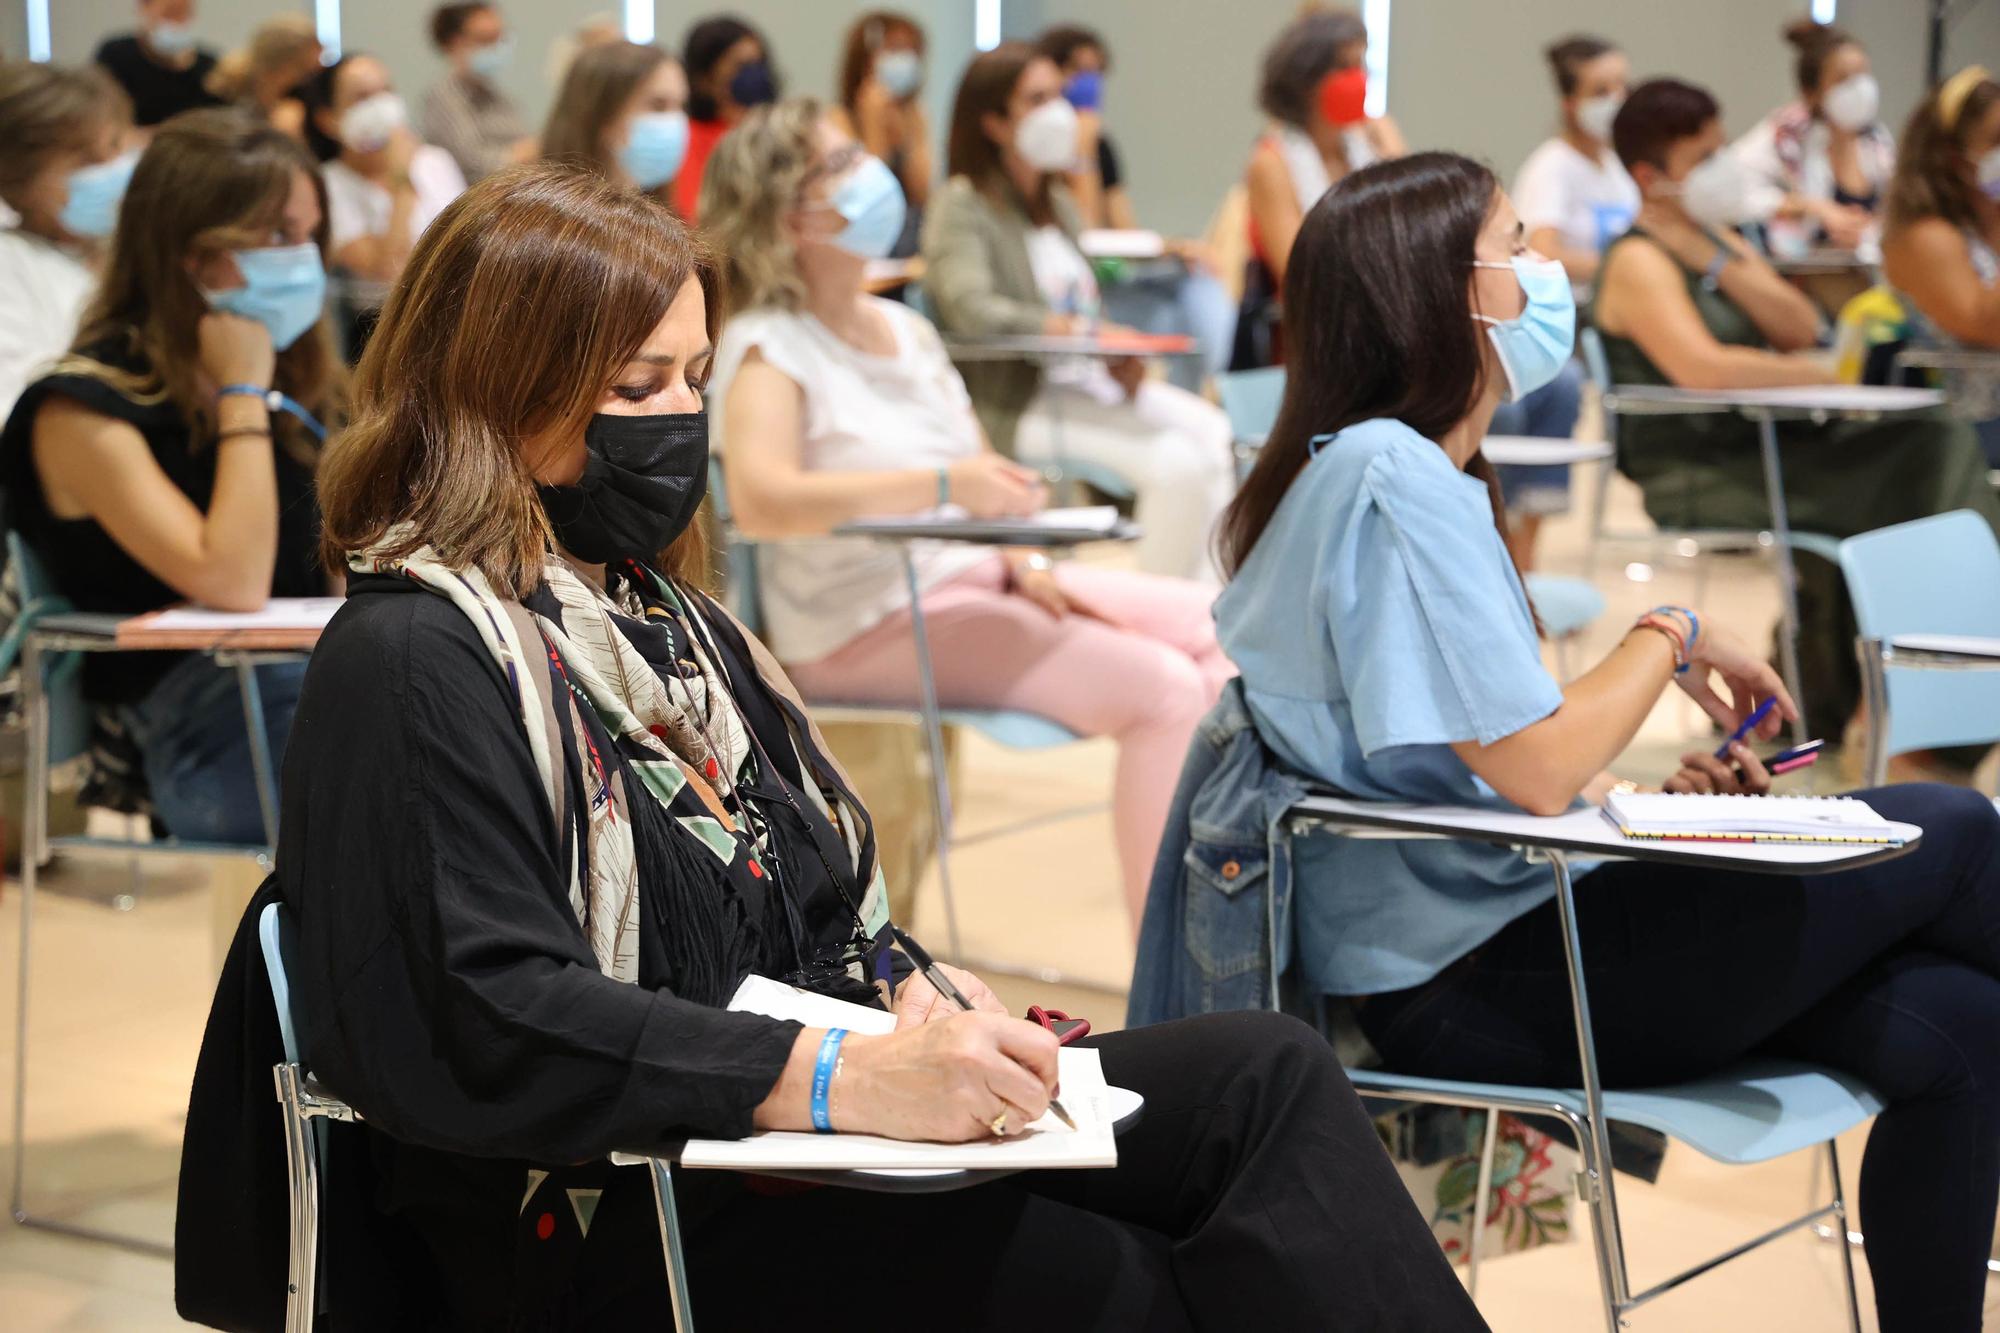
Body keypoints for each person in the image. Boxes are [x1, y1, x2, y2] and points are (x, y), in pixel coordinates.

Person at [173, 159, 1493, 1333]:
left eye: (692, 376)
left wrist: (915, 990)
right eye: (637, 385)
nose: (678, 417)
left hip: (766, 1132)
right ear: (499, 390)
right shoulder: (412, 659)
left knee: (1259, 1070)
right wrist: (840, 1074)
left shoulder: (670, 619)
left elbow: (813, 901)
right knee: (1139, 1274)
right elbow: (495, 1012)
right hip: (614, 1207)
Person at [1210, 148, 2000, 1333]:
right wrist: (1667, 631)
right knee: (1946, 822)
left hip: (1498, 931)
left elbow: (1472, 759)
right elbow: (1531, 762)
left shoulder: (1377, 465)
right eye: (1517, 246)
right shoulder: (1393, 473)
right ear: (1441, 291)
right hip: (1478, 974)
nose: (1549, 268)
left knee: (1962, 1021)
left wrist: (1657, 792)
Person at [703, 99, 1232, 928]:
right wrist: (944, 488)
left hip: (972, 576)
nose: (869, 173)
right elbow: (767, 499)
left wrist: (1029, 557)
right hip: (863, 620)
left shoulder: (906, 329)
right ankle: (1171, 967)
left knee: (1222, 629)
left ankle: (1219, 914)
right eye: (838, 164)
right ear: (785, 211)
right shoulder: (770, 342)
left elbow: (991, 475)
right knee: (1164, 690)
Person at [1594, 78, 1999, 732]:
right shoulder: (1639, 260)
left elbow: (1797, 322)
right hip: (1702, 469)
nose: (1724, 170)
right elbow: (1703, 367)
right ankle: (1939, 703)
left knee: (1929, 442)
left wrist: (1717, 254)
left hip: (1772, 449)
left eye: (1722, 151)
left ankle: (1864, 696)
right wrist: (1819, 375)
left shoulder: (1712, 241)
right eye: (1703, 160)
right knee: (1931, 452)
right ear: (1649, 176)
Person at [0, 109, 338, 845]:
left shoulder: (294, 389)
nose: (304, 260)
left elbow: (342, 565)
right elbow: (234, 579)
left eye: (311, 234)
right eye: (277, 235)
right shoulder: (80, 408)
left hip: (313, 683)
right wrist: (243, 396)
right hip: (195, 717)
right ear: (187, 254)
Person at [921, 43, 1236, 584]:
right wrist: (1068, 331)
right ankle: (1152, 616)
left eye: (1059, 95)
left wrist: (1115, 354)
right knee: (1176, 467)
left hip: (1085, 384)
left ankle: (1208, 613)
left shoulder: (1058, 205)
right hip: (1017, 398)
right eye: (1038, 98)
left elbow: (1086, 304)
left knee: (1214, 433)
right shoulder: (962, 204)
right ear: (994, 121)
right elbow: (969, 308)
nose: (1060, 111)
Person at [1034, 23, 1238, 395]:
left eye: (1096, 71)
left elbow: (1124, 229)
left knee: (1199, 283)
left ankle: (1211, 389)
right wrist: (1081, 155)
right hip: (1077, 281)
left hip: (1115, 270)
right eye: (1077, 69)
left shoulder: (1102, 146)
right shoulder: (1044, 149)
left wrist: (1172, 247)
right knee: (1168, 316)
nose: (1089, 82)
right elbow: (1083, 233)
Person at [304, 54, 465, 355]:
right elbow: (387, 272)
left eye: (386, 90)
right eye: (362, 97)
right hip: (382, 331)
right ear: (328, 119)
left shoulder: (434, 161)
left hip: (455, 312)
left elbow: (468, 245)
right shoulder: (326, 185)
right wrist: (401, 185)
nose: (380, 105)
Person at [0, 62, 133, 420]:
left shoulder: (126, 247)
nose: (110, 169)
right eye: (86, 160)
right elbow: (18, 411)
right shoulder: (10, 266)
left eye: (116, 145)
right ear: (19, 178)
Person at [1880, 66, 2000, 463]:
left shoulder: (1986, 226)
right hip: (1967, 429)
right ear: (1952, 155)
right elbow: (1987, 326)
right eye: (1997, 140)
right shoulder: (1926, 236)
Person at [1242, 8, 1406, 294]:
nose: (1359, 77)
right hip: (1314, 321)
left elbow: (1413, 234)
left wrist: (1396, 159)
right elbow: (1298, 273)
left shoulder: (1369, 144)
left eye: (1361, 65)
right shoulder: (1272, 162)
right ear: (1306, 82)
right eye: (1345, 67)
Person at [1735, 19, 1895, 253]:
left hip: (1864, 271)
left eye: (1863, 74)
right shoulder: (1785, 135)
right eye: (1844, 79)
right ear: (1811, 93)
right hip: (1804, 273)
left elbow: (1900, 210)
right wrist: (1811, 208)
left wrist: (1869, 232)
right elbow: (1726, 192)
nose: (1860, 88)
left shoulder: (1877, 139)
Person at [1512, 34, 1639, 291]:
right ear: (1570, 104)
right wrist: (1625, 268)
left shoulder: (1617, 164)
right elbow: (1540, 251)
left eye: (1622, 87)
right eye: (1601, 91)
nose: (1617, 100)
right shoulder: (1551, 166)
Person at [541, 41, 690, 211]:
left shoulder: (668, 222)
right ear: (603, 114)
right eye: (658, 106)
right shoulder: (543, 226)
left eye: (682, 106)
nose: (676, 120)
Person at [831, 10, 931, 260]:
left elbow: (924, 194)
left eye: (912, 50)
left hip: (908, 251)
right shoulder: (837, 120)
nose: (905, 58)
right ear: (866, 57)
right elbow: (863, 200)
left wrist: (911, 137)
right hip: (862, 248)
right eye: (895, 48)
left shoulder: (914, 115)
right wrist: (873, 128)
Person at [676, 14, 778, 221]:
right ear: (704, 78)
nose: (754, 74)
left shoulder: (776, 134)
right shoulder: (685, 139)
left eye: (758, 63)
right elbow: (693, 216)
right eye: (741, 66)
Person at [421, 2, 529, 184]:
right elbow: (472, 166)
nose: (497, 47)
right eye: (486, 39)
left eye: (501, 38)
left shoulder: (497, 96)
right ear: (454, 43)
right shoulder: (444, 98)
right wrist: (525, 152)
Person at [92, 0, 225, 132]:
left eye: (183, 13)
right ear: (143, 7)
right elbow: (98, 116)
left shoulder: (210, 66)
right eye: (169, 13)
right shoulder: (115, 54)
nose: (175, 22)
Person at [205, 13, 322, 143]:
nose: (305, 80)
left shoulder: (293, 103)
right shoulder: (224, 106)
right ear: (282, 65)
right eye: (304, 71)